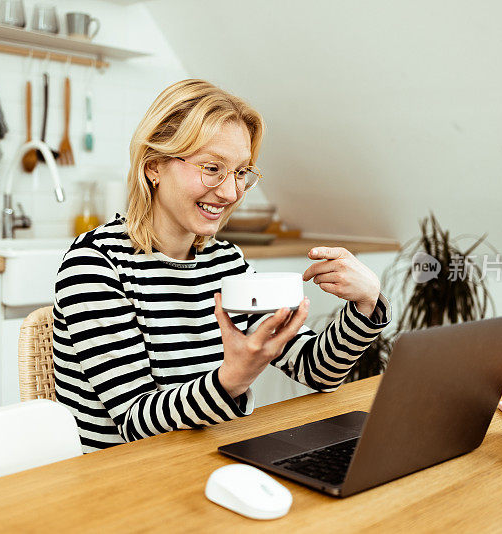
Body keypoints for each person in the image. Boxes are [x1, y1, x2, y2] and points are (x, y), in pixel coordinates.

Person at [53, 79, 391, 453]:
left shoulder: (226, 262)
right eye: (212, 168)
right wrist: (232, 379)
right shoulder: (96, 264)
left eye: (240, 172)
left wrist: (365, 304)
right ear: (154, 167)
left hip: (216, 462)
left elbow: (318, 370)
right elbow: (136, 421)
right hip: (125, 481)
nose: (231, 193)